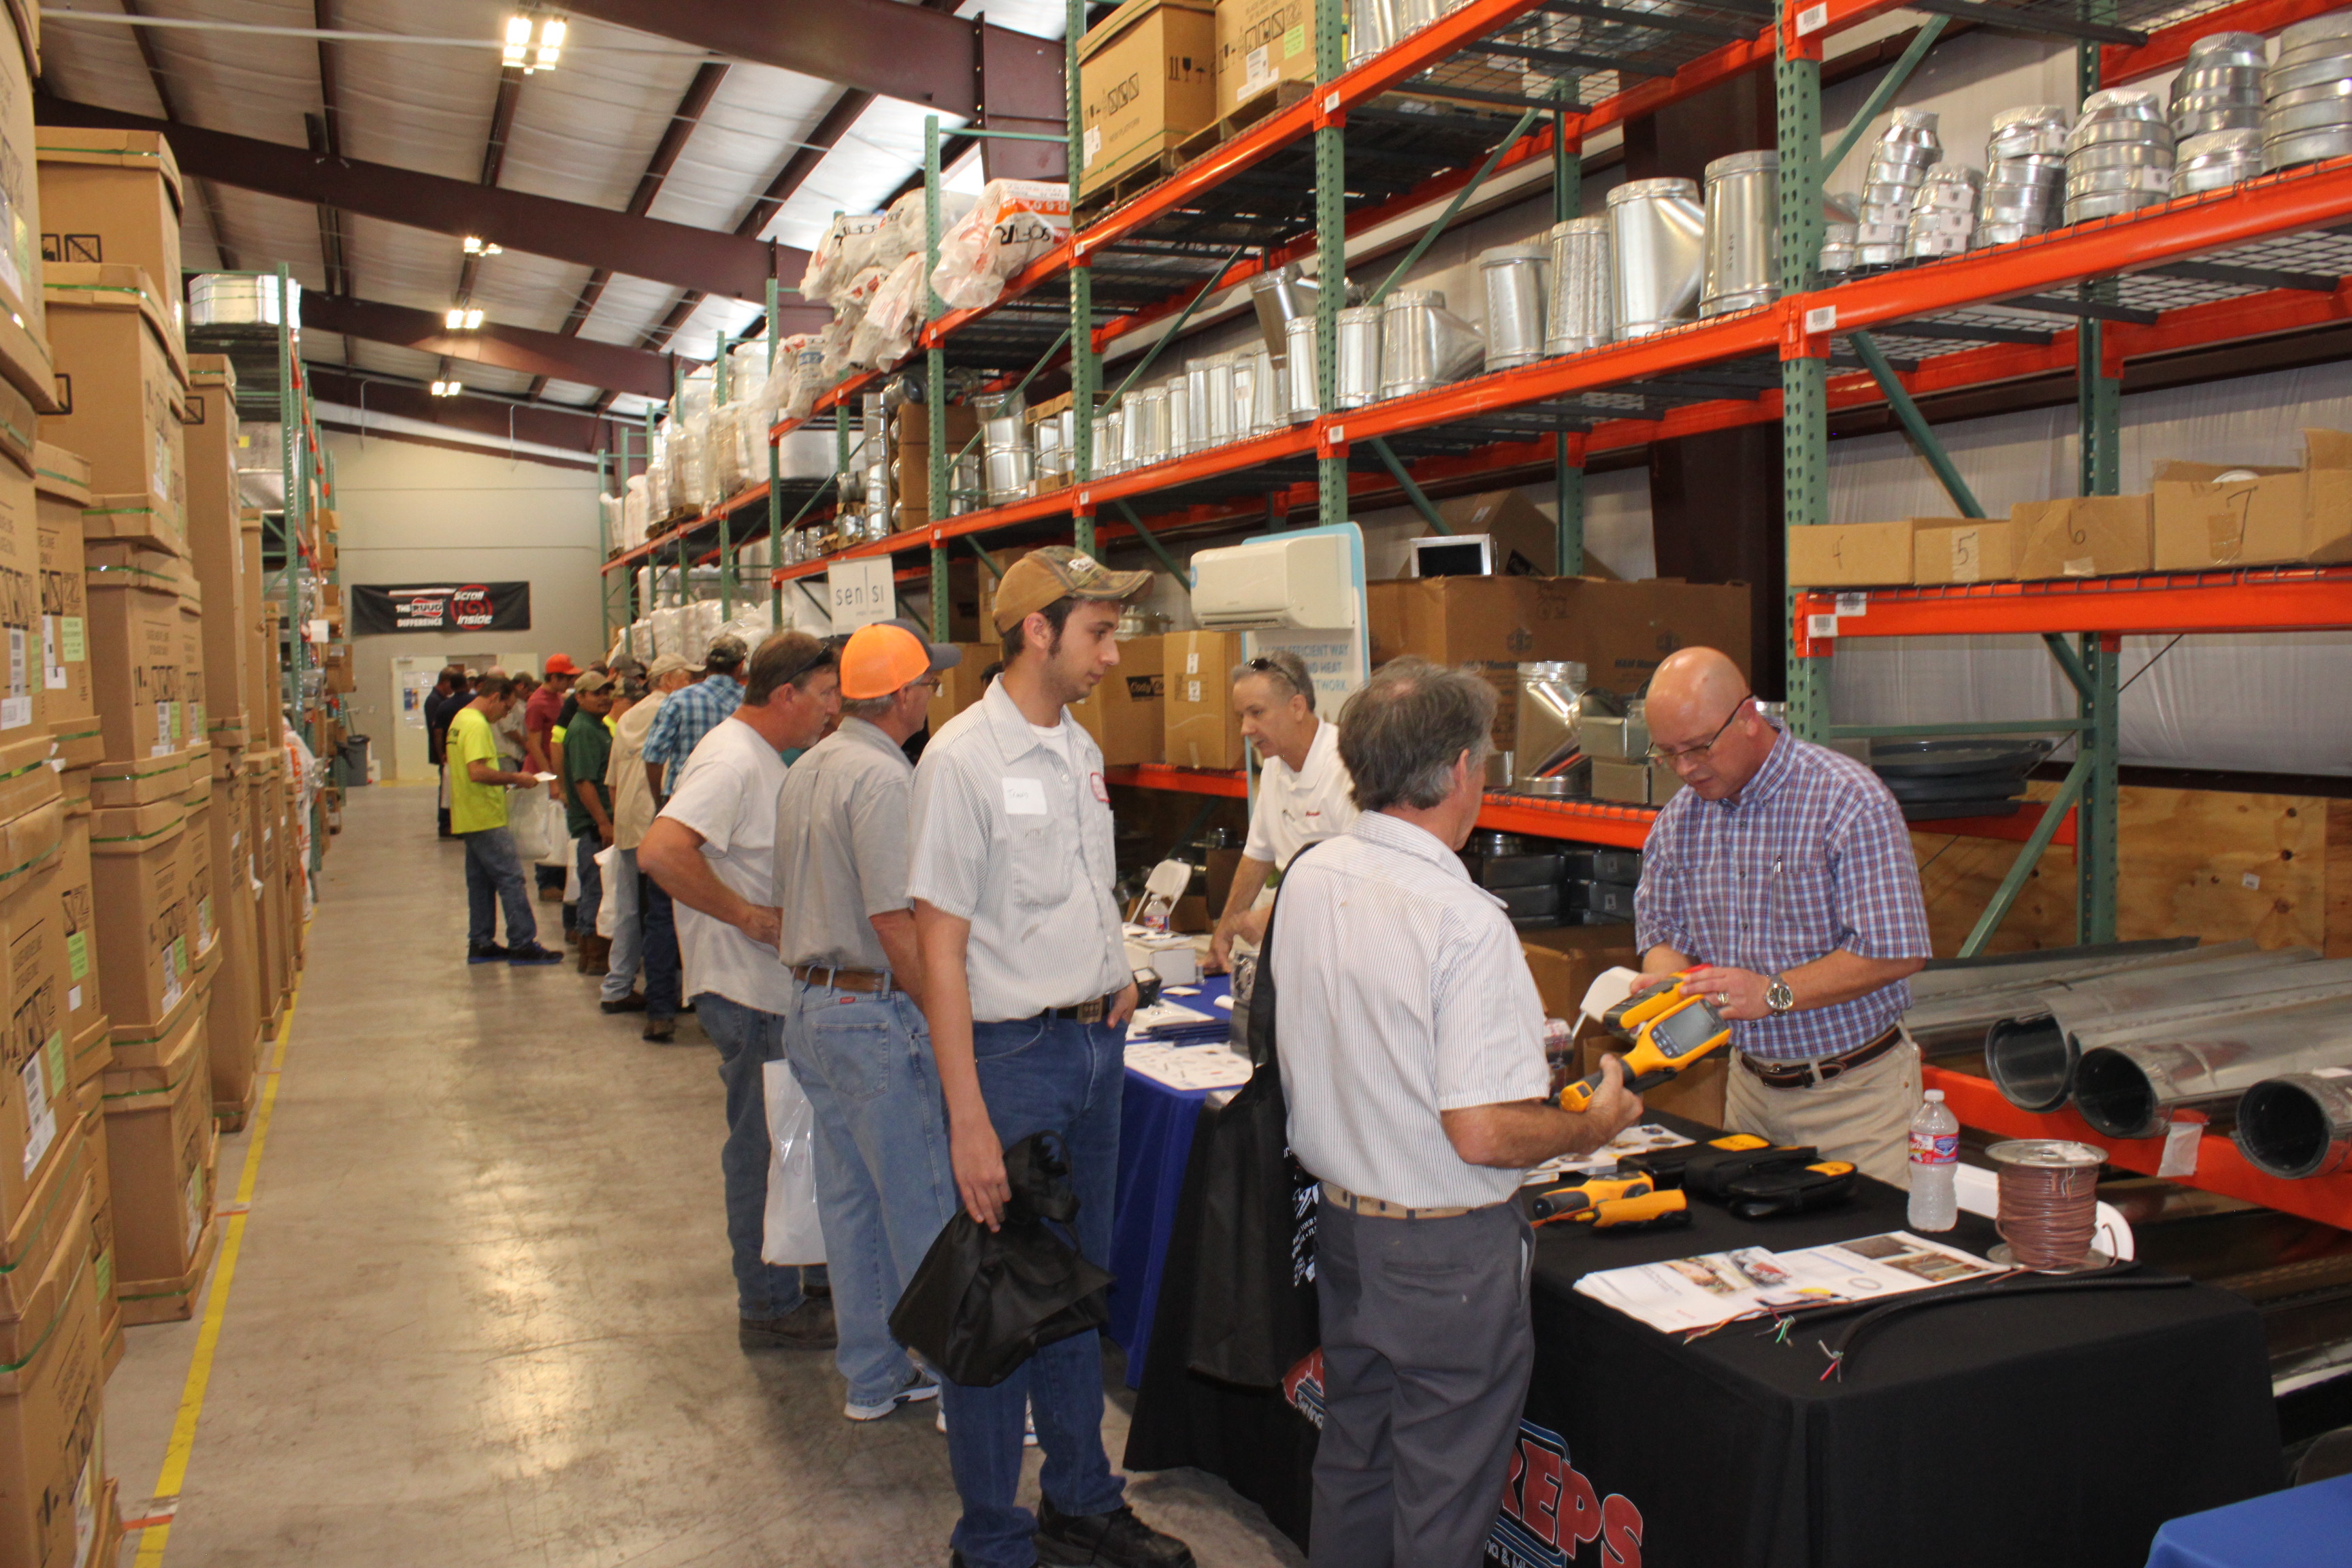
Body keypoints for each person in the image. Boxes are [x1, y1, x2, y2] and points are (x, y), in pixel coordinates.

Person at [1273, 657, 1644, 1568]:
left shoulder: (1314, 876)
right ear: (1461, 770)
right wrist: (1595, 1123)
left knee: (1355, 1463)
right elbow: (1480, 1132)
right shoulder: (1465, 921)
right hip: (1445, 1260)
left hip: (1347, 1232)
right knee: (1442, 1500)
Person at [910, 546, 1194, 1568]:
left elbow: (1077, 882)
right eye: (1099, 634)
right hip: (1012, 1059)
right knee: (998, 1303)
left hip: (1094, 1045)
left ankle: (1079, 1499)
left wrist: (1113, 967)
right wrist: (968, 1118)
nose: (1113, 655)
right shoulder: (961, 763)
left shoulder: (1077, 749)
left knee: (1071, 1290)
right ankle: (991, 1537)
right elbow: (940, 949)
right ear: (1039, 631)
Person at [1633, 646, 1933, 1186]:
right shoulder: (1680, 822)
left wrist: (1772, 993)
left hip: (1857, 1101)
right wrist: (1667, 984)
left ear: (1748, 717)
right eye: (1668, 754)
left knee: (1869, 1235)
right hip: (1751, 1095)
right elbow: (1665, 935)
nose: (1685, 769)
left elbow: (1896, 952)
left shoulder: (1847, 800)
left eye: (1698, 747)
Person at [777, 619, 964, 1424]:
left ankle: (874, 1376)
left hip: (814, 1007)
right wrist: (947, 1018)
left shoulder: (809, 767)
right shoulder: (885, 778)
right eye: (928, 683)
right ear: (903, 696)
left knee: (851, 1201)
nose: (932, 695)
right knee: (925, 1203)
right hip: (873, 1011)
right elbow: (894, 921)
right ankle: (965, 1390)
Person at [638, 632, 841, 1352]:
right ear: (786, 694)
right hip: (746, 991)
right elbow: (661, 851)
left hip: (769, 990)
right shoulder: (730, 760)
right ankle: (768, 1304)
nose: (833, 709)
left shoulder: (763, 756)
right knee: (761, 1147)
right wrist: (748, 916)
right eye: (825, 695)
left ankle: (804, 1274)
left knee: (789, 1140)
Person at [1207, 648, 1358, 973]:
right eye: (1241, 716)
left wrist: (1276, 917)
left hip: (1346, 953)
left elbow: (1359, 880)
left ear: (1297, 707)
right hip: (1295, 949)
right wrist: (1224, 932)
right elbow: (1257, 855)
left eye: (1256, 713)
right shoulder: (1276, 765)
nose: (1245, 729)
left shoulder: (1348, 768)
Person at [446, 672, 567, 967]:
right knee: (511, 877)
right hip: (485, 815)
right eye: (506, 708)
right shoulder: (477, 725)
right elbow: (477, 772)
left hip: (469, 814)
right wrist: (516, 778)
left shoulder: (460, 720)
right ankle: (523, 943)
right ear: (494, 698)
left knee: (481, 882)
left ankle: (481, 941)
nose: (506, 716)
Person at [602, 653, 696, 1032]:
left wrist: (617, 820)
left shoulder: (626, 717)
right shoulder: (676, 710)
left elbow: (612, 779)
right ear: (670, 680)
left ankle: (617, 986)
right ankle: (674, 993)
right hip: (659, 821)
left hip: (627, 821)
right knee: (668, 914)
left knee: (628, 909)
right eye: (687, 677)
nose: (692, 685)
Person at [644, 636, 749, 804]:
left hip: (682, 800)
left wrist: (659, 801)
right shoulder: (751, 702)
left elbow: (653, 758)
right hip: (733, 801)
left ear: (706, 662)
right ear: (740, 666)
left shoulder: (678, 700)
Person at [564, 672, 619, 975]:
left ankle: (591, 954)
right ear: (580, 697)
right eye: (596, 693)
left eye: (607, 692)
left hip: (599, 821)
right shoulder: (584, 730)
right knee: (597, 888)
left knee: (596, 887)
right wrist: (603, 822)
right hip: (593, 824)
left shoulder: (597, 726)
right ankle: (595, 955)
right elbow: (584, 781)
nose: (604, 698)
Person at [424, 666, 469, 838]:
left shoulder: (442, 700)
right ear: (445, 682)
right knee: (446, 789)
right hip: (445, 752)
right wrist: (442, 752)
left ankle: (451, 822)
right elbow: (436, 730)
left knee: (448, 787)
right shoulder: (434, 701)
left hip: (447, 751)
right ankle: (445, 824)